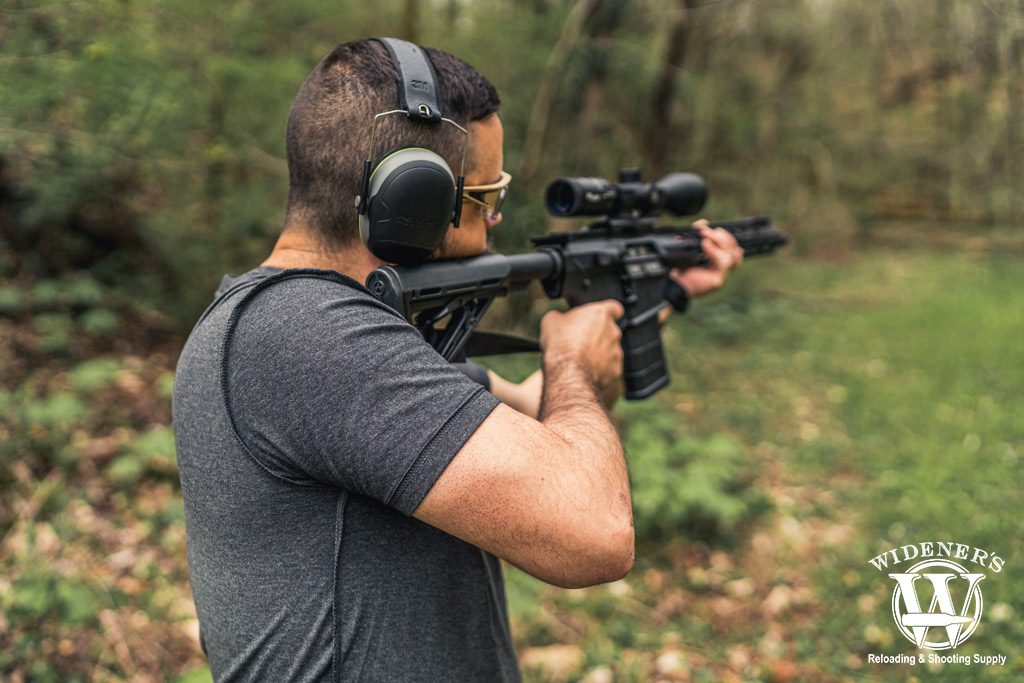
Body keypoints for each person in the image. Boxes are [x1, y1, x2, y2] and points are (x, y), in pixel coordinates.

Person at [172, 38, 743, 682]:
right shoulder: (305, 336)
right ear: (410, 204)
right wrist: (571, 359)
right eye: (485, 199)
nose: (495, 222)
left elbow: (535, 410)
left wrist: (654, 295)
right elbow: (596, 533)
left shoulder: (300, 332)